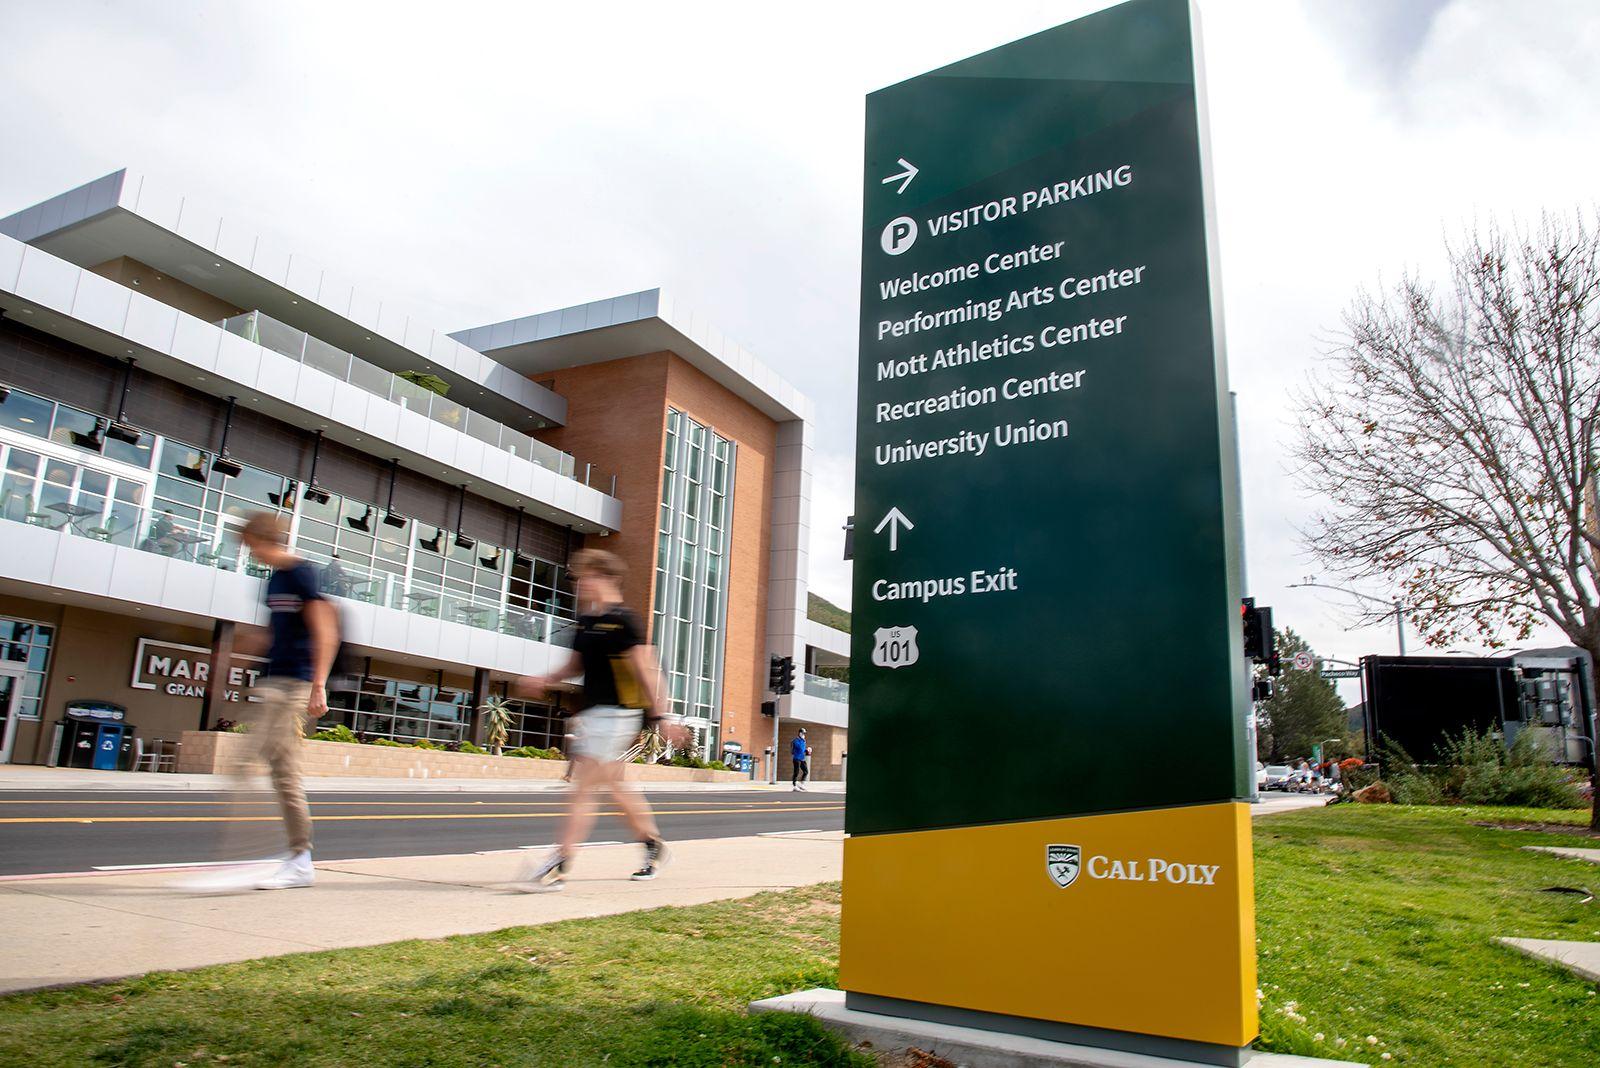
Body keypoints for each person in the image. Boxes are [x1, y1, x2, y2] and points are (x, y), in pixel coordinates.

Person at [511, 548, 684, 891]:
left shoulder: (624, 621)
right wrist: (544, 679)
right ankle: (653, 847)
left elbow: (647, 670)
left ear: (607, 578)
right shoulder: (586, 623)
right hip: (593, 716)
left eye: (585, 576)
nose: (579, 583)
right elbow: (574, 666)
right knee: (617, 789)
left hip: (619, 715)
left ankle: (559, 865)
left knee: (584, 789)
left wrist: (663, 715)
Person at [186, 512, 339, 892]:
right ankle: (299, 860)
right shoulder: (273, 582)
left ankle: (251, 858)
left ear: (261, 539)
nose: (249, 552)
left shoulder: (303, 574)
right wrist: (230, 655)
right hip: (273, 679)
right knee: (284, 775)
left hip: (294, 684)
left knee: (245, 760)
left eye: (250, 544)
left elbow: (326, 630)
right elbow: (272, 634)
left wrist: (319, 685)